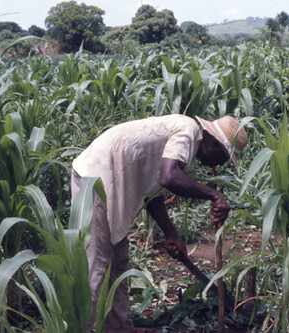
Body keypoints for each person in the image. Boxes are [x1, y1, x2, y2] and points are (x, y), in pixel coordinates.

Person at [70, 114, 248, 333]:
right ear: (214, 143)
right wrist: (214, 196)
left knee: (118, 259)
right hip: (96, 179)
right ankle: (82, 328)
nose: (219, 166)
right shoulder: (187, 131)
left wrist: (170, 233)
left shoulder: (186, 143)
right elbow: (168, 178)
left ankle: (118, 328)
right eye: (223, 157)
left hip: (111, 182)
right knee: (96, 265)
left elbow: (154, 191)